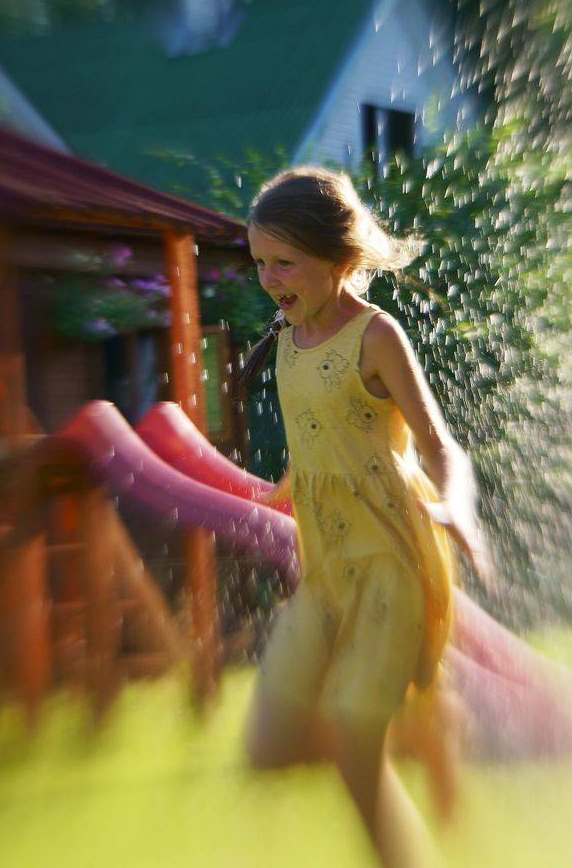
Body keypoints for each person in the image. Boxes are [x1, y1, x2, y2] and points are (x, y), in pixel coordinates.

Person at [237, 167, 490, 867]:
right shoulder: (288, 340)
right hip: (328, 571)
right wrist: (277, 492)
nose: (268, 279)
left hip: (391, 559)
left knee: (354, 739)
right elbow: (320, 441)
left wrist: (457, 506)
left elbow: (439, 447)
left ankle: (407, 756)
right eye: (259, 262)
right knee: (267, 746)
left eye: (284, 262)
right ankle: (426, 723)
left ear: (338, 259)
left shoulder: (376, 337)